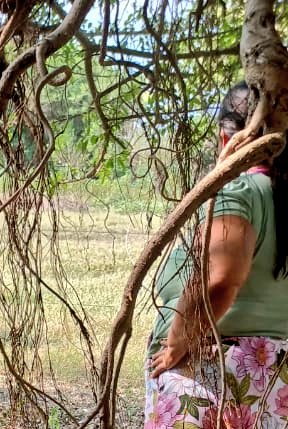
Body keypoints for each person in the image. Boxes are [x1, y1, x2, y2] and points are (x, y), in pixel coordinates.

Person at [145, 81, 288, 427]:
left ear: (229, 137)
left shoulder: (239, 191)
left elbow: (219, 279)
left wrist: (179, 339)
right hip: (272, 379)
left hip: (213, 375)